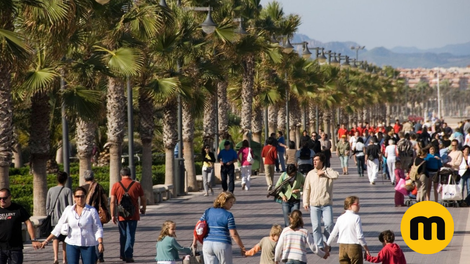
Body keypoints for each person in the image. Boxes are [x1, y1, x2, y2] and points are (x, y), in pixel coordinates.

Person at [41, 187, 104, 264]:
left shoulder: (91, 211)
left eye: (82, 196)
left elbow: (98, 228)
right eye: (77, 196)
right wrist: (47, 240)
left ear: (85, 197)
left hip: (88, 244)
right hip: (72, 243)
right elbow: (59, 226)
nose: (80, 199)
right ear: (74, 198)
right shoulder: (68, 210)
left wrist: (100, 243)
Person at [192, 192, 246, 264]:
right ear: (224, 202)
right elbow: (234, 234)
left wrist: (194, 242)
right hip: (222, 244)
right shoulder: (228, 215)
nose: (232, 205)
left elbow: (198, 227)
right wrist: (242, 247)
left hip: (207, 244)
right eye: (230, 202)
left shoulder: (208, 211)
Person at [303, 153, 339, 253]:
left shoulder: (328, 171)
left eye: (317, 160)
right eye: (313, 160)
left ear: (322, 161)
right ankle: (319, 245)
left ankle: (326, 242)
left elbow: (336, 175)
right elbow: (306, 188)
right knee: (316, 226)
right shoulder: (310, 174)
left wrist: (324, 173)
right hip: (314, 204)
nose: (314, 162)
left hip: (326, 203)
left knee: (329, 224)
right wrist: (305, 202)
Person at [110, 167, 146, 263]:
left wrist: (113, 215)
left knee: (123, 235)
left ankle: (123, 254)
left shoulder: (116, 185)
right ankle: (128, 255)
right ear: (130, 174)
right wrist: (143, 209)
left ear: (121, 175)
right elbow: (143, 198)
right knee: (131, 235)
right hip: (133, 214)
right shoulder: (137, 185)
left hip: (121, 214)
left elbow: (113, 202)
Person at [0, 188, 42, 264]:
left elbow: (28, 223)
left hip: (15, 247)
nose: (2, 200)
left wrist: (33, 239)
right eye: (0, 198)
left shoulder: (18, 209)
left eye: (4, 198)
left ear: (10, 197)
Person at [326, 196, 370, 264]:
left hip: (342, 247)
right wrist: (366, 249)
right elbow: (360, 236)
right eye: (357, 204)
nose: (359, 206)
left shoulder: (340, 218)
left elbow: (333, 234)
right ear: (350, 205)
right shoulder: (356, 218)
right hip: (354, 247)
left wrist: (327, 245)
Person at [80, 170, 110, 263]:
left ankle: (91, 256)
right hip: (97, 215)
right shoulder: (99, 187)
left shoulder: (81, 189)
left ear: (85, 179)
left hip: (85, 215)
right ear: (93, 177)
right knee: (98, 235)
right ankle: (99, 256)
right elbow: (105, 200)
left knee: (88, 236)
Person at [46, 172, 73, 264]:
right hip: (65, 220)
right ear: (66, 179)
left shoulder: (50, 190)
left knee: (55, 238)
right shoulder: (67, 191)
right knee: (65, 240)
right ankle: (64, 259)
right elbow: (71, 205)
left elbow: (47, 206)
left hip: (54, 219)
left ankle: (55, 258)